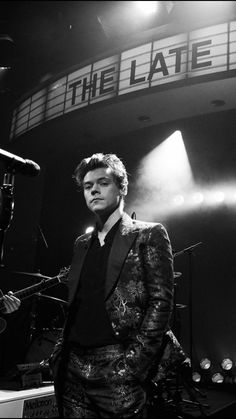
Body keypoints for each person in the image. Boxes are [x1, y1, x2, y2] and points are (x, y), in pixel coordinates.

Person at [50, 152, 174, 419]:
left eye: (103, 183)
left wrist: (132, 368)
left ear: (122, 187)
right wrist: (59, 355)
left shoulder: (148, 234)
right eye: (87, 186)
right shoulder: (81, 244)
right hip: (72, 367)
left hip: (118, 365)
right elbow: (77, 303)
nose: (93, 189)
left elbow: (161, 303)